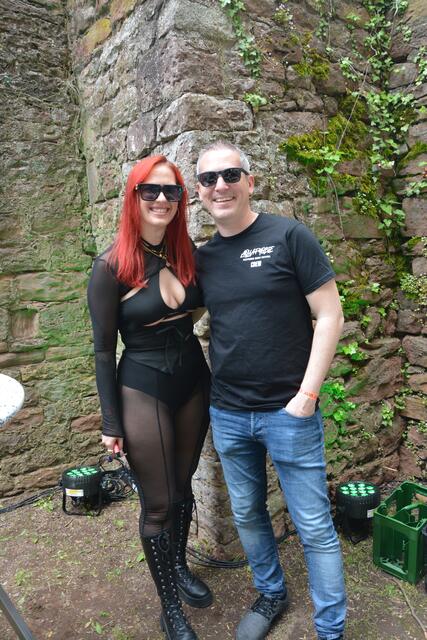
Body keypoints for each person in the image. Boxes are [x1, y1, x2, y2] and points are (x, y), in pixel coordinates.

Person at [195, 141, 346, 640]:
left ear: (250, 182)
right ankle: (271, 592)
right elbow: (171, 310)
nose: (220, 186)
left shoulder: (288, 235)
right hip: (229, 413)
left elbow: (330, 314)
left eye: (230, 175)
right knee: (247, 513)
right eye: (209, 179)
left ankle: (330, 630)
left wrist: (307, 395)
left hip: (289, 413)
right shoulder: (203, 259)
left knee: (313, 526)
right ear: (199, 191)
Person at [87, 155, 212, 640]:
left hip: (192, 381)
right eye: (150, 190)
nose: (161, 199)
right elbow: (103, 351)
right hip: (143, 386)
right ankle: (170, 609)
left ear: (181, 200)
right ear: (134, 197)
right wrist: (111, 423)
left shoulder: (187, 253)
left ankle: (178, 567)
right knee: (158, 504)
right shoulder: (110, 267)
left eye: (171, 191)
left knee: (182, 489)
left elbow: (201, 309)